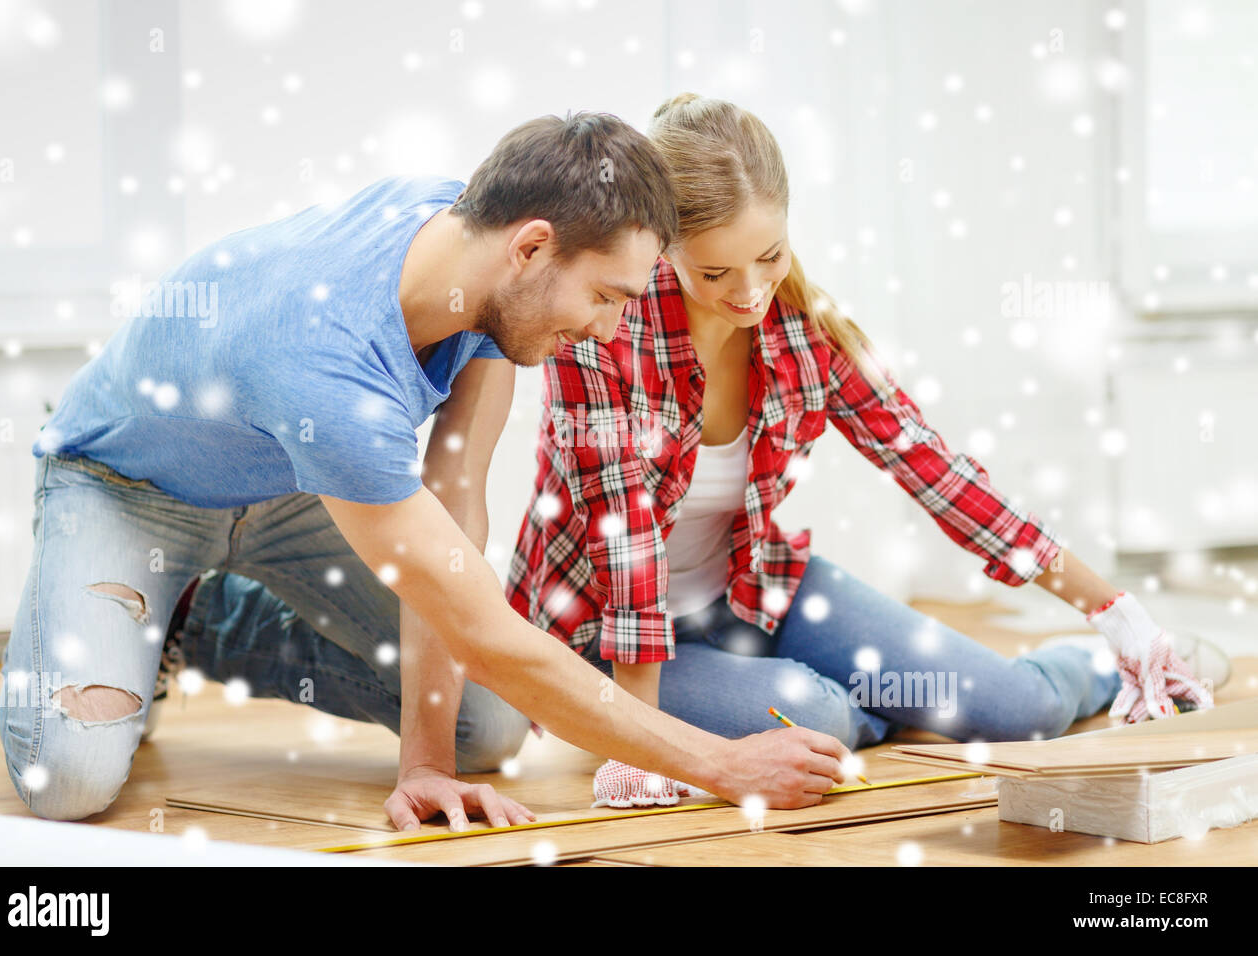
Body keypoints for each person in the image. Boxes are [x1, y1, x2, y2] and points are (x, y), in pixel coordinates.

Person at [0, 111, 851, 827]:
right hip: (127, 488)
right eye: (606, 298)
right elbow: (482, 629)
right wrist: (725, 766)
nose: (606, 332)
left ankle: (205, 622)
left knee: (484, 728)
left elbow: (455, 508)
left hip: (291, 480)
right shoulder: (325, 365)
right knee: (67, 782)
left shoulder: (478, 252)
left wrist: (425, 766)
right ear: (533, 247)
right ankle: (119, 601)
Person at [502, 93, 1225, 807]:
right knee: (816, 720)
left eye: (769, 257)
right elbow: (625, 540)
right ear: (663, 245)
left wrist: (1115, 611)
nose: (751, 292)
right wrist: (644, 736)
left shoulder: (802, 328)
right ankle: (831, 706)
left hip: (755, 591)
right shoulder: (604, 327)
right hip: (609, 633)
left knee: (1018, 713)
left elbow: (932, 468)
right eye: (715, 273)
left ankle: (1107, 665)